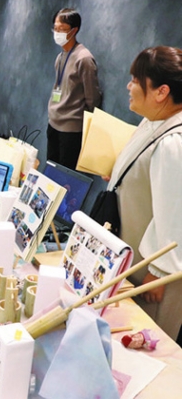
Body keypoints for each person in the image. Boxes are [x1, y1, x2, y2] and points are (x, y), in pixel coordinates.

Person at [107, 46, 182, 340]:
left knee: (149, 340)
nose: (129, 86)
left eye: (136, 80)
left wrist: (160, 272)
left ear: (161, 91)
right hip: (136, 261)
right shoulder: (154, 120)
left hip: (154, 275)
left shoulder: (174, 142)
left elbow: (175, 214)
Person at [47, 8, 101, 169]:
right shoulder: (61, 56)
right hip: (53, 123)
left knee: (66, 178)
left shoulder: (84, 58)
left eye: (61, 29)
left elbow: (93, 98)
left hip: (71, 129)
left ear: (74, 30)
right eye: (55, 29)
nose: (57, 33)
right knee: (50, 172)